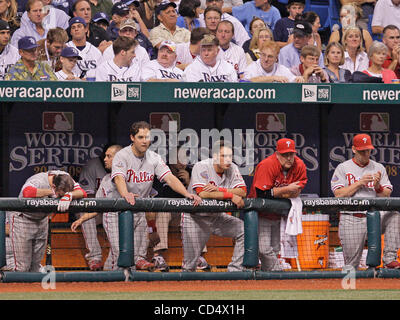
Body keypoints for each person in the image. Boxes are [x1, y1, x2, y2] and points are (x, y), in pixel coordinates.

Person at [110, 121, 202, 271]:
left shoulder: (154, 157)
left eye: (147, 137)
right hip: (118, 209)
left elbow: (170, 178)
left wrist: (186, 193)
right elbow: (119, 178)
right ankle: (108, 288)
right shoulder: (122, 155)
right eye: (140, 137)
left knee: (137, 257)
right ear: (132, 138)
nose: (145, 140)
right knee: (119, 254)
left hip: (139, 210)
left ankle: (128, 290)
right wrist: (125, 194)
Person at [331, 133, 400, 270]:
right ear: (354, 149)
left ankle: (390, 258)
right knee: (351, 266)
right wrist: (359, 183)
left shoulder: (378, 167)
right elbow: (338, 194)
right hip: (352, 219)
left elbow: (387, 195)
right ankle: (350, 289)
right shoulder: (343, 168)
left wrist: (377, 186)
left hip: (375, 218)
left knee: (394, 214)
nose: (365, 153)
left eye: (367, 150)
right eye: (362, 151)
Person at [182, 140, 246, 272]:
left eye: (230, 156)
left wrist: (219, 190)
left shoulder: (232, 168)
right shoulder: (201, 166)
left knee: (244, 229)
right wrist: (231, 195)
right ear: (215, 156)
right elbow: (203, 193)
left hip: (217, 217)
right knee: (190, 266)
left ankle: (235, 270)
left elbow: (243, 191)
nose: (228, 160)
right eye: (223, 156)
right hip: (195, 218)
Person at [248, 138, 307, 271]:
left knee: (275, 248)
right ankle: (276, 272)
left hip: (277, 213)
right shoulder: (267, 165)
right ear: (277, 154)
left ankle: (269, 278)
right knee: (263, 248)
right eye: (285, 155)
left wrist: (276, 192)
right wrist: (286, 190)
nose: (289, 158)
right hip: (259, 212)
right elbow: (262, 193)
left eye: (291, 154)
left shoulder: (300, 165)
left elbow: (297, 191)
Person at [9, 171, 87, 272]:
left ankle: (31, 288)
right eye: (59, 195)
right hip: (23, 219)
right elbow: (27, 192)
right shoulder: (38, 180)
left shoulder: (66, 177)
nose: (59, 197)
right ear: (54, 186)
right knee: (22, 267)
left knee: (35, 267)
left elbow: (83, 192)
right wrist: (50, 192)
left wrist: (69, 195)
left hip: (42, 220)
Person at [71, 145, 124, 271]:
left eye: (108, 156)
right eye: (104, 156)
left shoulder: (132, 174)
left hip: (128, 218)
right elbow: (94, 203)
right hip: (109, 216)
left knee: (119, 252)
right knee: (117, 251)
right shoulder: (106, 180)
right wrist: (81, 219)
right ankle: (95, 259)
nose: (105, 159)